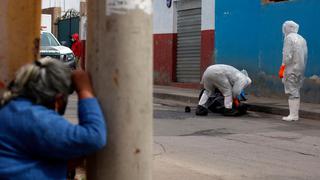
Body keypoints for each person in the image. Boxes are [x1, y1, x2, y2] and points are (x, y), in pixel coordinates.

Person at [0, 57, 107, 179]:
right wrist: (84, 89)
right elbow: (94, 136)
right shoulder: (34, 116)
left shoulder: (13, 110)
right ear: (58, 99)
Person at [279, 20, 308, 121]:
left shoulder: (289, 38)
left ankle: (293, 115)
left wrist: (283, 68)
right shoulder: (302, 38)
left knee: (292, 92)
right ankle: (294, 114)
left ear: (288, 28)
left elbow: (287, 56)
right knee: (296, 90)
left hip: (291, 68)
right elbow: (305, 55)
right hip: (300, 68)